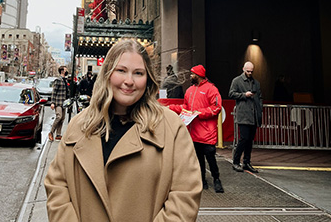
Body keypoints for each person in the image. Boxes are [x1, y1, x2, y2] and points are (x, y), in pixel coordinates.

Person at [44, 39, 201, 221]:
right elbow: (57, 186)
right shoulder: (79, 125)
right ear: (108, 73)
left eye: (138, 73)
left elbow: (185, 195)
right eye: (121, 71)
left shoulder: (171, 127)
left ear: (147, 78)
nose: (129, 81)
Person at [168, 65, 224, 193]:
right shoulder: (190, 90)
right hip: (194, 133)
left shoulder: (211, 89)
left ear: (198, 75)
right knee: (198, 159)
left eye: (192, 74)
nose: (190, 76)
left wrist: (198, 113)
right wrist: (171, 108)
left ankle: (216, 179)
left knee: (210, 158)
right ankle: (202, 180)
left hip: (207, 133)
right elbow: (186, 107)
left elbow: (216, 108)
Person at [229, 61, 262, 173]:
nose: (250, 73)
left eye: (251, 71)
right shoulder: (237, 81)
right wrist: (244, 95)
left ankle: (246, 162)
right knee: (244, 139)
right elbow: (231, 94)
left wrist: (259, 109)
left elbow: (259, 97)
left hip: (253, 115)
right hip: (243, 114)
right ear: (243, 69)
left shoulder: (256, 83)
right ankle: (236, 161)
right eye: (248, 71)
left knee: (249, 141)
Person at [48, 66, 69, 141]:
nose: (67, 71)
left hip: (64, 102)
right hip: (58, 102)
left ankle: (58, 134)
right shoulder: (58, 80)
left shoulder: (65, 80)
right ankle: (51, 132)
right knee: (59, 117)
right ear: (62, 71)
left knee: (62, 118)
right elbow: (54, 92)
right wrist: (52, 102)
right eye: (66, 70)